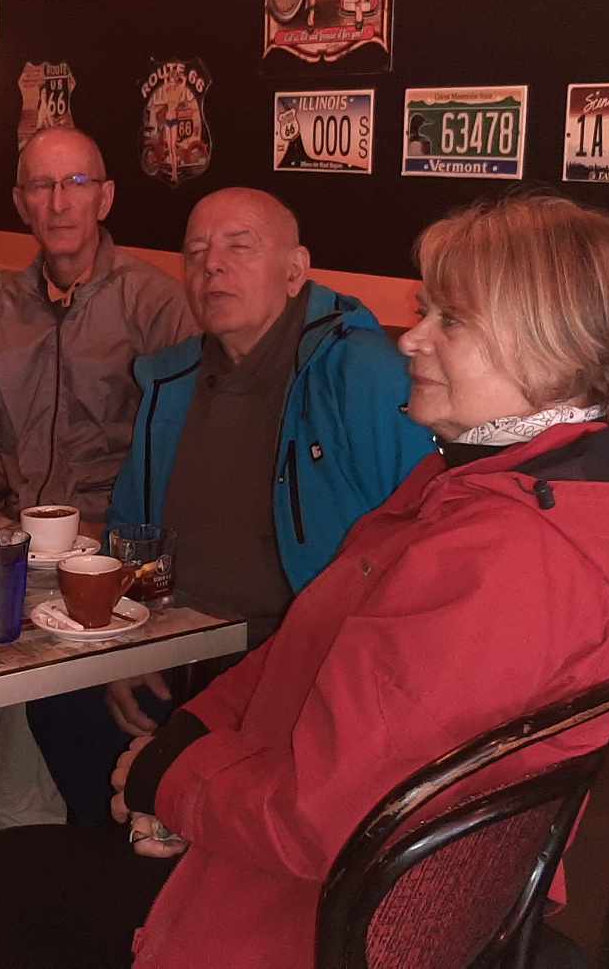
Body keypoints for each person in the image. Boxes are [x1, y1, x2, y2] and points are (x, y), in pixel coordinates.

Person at [0, 194, 609, 969]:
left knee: (2, 876)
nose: (412, 338)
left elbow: (320, 819)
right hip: (309, 860)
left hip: (317, 922)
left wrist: (173, 783)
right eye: (425, 312)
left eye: (450, 321)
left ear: (549, 350)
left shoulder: (503, 556)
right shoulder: (472, 486)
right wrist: (190, 733)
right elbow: (311, 643)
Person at [26, 187, 427, 825]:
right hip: (174, 644)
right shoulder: (171, 379)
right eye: (196, 252)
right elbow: (131, 531)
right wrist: (122, 644)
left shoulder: (357, 371)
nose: (212, 265)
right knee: (59, 701)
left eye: (239, 247)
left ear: (295, 270)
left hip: (299, 665)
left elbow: (420, 540)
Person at [0, 127, 195, 525]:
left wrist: (116, 537)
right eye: (41, 186)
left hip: (111, 539)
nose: (58, 204)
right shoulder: (7, 309)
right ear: (21, 205)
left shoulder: (157, 306)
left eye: (77, 182)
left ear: (105, 199)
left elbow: (185, 455)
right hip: (20, 533)